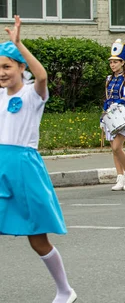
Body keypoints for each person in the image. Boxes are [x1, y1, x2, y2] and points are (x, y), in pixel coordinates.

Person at [0, 16, 77, 303]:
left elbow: (42, 76)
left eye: (7, 66)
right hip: (1, 166)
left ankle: (65, 290)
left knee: (37, 239)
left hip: (24, 169)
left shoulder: (34, 95)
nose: (2, 72)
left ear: (21, 67)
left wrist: (19, 43)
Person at [102, 39, 125, 191]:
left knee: (117, 147)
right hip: (110, 117)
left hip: (122, 116)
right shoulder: (109, 79)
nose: (113, 65)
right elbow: (107, 98)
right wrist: (103, 116)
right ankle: (119, 177)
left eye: (116, 62)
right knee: (113, 150)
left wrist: (119, 103)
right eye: (111, 62)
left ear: (122, 63)